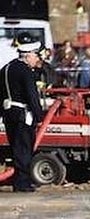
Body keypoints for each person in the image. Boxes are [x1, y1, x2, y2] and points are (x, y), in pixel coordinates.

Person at [1, 33, 47, 192]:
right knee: (24, 148)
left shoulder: (6, 68)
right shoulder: (25, 72)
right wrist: (39, 116)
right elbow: (32, 96)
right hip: (22, 113)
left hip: (8, 113)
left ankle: (19, 180)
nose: (37, 59)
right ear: (29, 55)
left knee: (15, 147)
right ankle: (22, 182)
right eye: (36, 55)